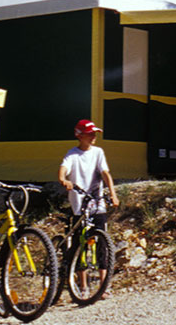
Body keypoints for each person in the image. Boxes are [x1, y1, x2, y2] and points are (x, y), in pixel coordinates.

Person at [58, 119, 119, 292]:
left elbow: (105, 173)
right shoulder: (72, 154)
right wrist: (63, 179)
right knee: (80, 244)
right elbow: (63, 168)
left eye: (94, 134)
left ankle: (103, 285)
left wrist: (113, 194)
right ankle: (83, 285)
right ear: (80, 135)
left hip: (97, 203)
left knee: (102, 244)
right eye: (90, 133)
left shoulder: (98, 152)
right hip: (79, 206)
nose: (93, 137)